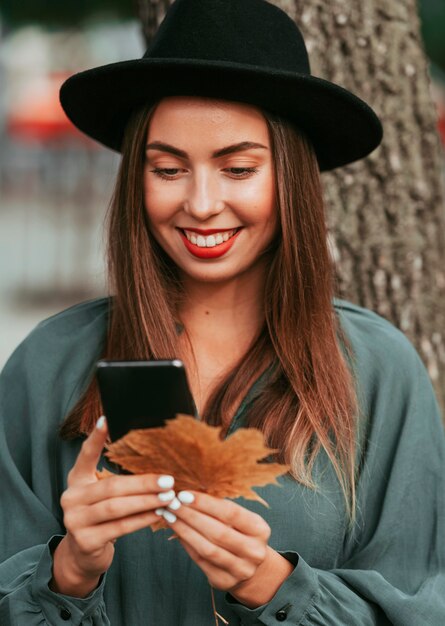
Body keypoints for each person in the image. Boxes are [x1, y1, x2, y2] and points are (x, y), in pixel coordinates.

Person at [1, 0, 444, 624]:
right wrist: (68, 572)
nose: (202, 203)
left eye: (238, 168)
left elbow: (420, 608)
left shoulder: (377, 372)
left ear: (288, 178)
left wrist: (273, 585)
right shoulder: (48, 365)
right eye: (168, 168)